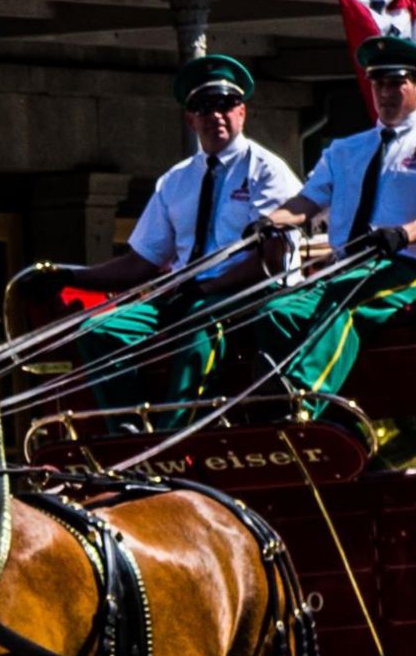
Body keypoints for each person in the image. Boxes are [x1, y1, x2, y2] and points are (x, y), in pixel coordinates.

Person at [17, 53, 301, 422]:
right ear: (190, 118)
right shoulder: (176, 180)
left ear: (242, 112)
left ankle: (174, 432)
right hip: (186, 296)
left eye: (225, 104)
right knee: (98, 331)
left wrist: (205, 288)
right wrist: (70, 276)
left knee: (196, 323)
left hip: (246, 295)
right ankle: (128, 430)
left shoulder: (267, 170)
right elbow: (141, 262)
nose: (216, 114)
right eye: (204, 106)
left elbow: (271, 262)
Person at [235, 34, 416, 415]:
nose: (385, 93)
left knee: (344, 304)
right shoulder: (345, 149)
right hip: (347, 268)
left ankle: (302, 400)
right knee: (277, 311)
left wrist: (403, 234)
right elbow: (307, 202)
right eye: (378, 83)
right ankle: (276, 404)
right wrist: (268, 222)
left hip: (411, 269)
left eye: (396, 82)